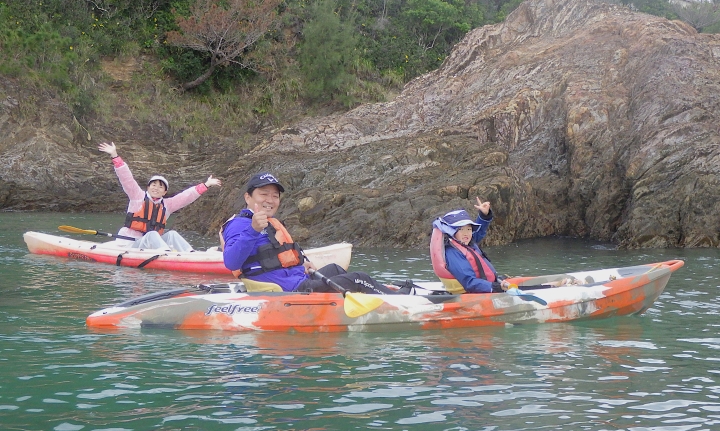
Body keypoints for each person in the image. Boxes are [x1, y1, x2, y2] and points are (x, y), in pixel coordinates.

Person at [220, 172, 410, 295]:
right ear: (248, 197)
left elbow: (280, 253)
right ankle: (395, 299)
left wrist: (301, 263)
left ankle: (367, 293)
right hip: (287, 290)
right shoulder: (239, 225)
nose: (270, 199)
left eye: (275, 196)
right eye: (264, 194)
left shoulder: (270, 223)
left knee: (335, 269)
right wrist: (253, 229)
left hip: (295, 280)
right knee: (358, 277)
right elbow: (231, 262)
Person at [98, 141, 221, 251]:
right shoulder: (137, 196)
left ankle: (191, 254)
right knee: (151, 234)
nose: (156, 188)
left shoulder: (167, 205)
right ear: (148, 187)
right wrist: (115, 155)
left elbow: (186, 196)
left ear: (164, 192)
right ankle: (167, 255)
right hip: (129, 245)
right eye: (154, 185)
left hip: (149, 247)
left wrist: (206, 185)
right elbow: (126, 179)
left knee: (171, 234)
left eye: (160, 186)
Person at [431, 198, 510, 293]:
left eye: (469, 229)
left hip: (484, 287)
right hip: (470, 293)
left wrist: (484, 216)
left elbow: (479, 231)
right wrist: (495, 287)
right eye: (461, 229)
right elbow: (469, 282)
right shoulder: (452, 253)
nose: (466, 234)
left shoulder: (467, 242)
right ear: (451, 232)